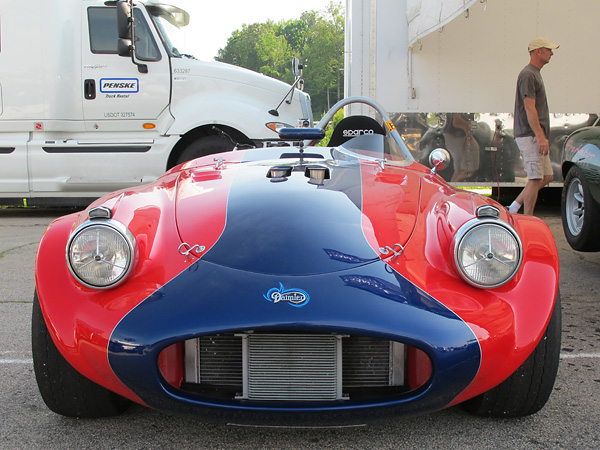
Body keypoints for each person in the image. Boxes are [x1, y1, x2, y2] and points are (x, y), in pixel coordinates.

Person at [508, 37, 559, 215]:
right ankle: (527, 220)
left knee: (546, 176)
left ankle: (514, 208)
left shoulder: (534, 73)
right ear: (539, 51)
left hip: (534, 134)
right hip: (530, 135)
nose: (552, 53)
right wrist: (539, 136)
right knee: (535, 177)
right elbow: (529, 108)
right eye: (549, 50)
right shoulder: (528, 74)